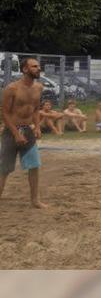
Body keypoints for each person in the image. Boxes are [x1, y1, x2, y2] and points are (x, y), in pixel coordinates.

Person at [0, 57, 47, 208]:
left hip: (28, 131)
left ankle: (35, 200)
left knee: (34, 166)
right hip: (11, 131)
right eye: (34, 66)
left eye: (38, 66)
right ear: (25, 69)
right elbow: (5, 114)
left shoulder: (38, 87)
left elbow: (35, 109)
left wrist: (37, 127)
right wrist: (16, 134)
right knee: (5, 168)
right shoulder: (11, 89)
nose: (38, 68)